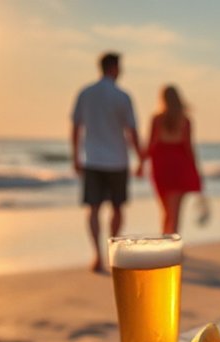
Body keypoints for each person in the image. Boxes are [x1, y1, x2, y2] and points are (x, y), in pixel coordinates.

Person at [71, 52, 144, 273]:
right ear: (113, 67)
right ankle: (114, 250)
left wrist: (75, 156)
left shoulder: (85, 93)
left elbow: (76, 128)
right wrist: (140, 158)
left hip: (92, 158)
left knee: (93, 208)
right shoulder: (122, 96)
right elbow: (132, 131)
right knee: (117, 207)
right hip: (117, 160)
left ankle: (97, 255)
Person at [137, 85, 204, 235]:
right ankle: (171, 243)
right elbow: (188, 148)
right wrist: (196, 170)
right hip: (180, 166)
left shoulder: (157, 119)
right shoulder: (185, 120)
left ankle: (167, 244)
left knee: (167, 211)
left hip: (161, 167)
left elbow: (151, 145)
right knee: (175, 213)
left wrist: (141, 164)